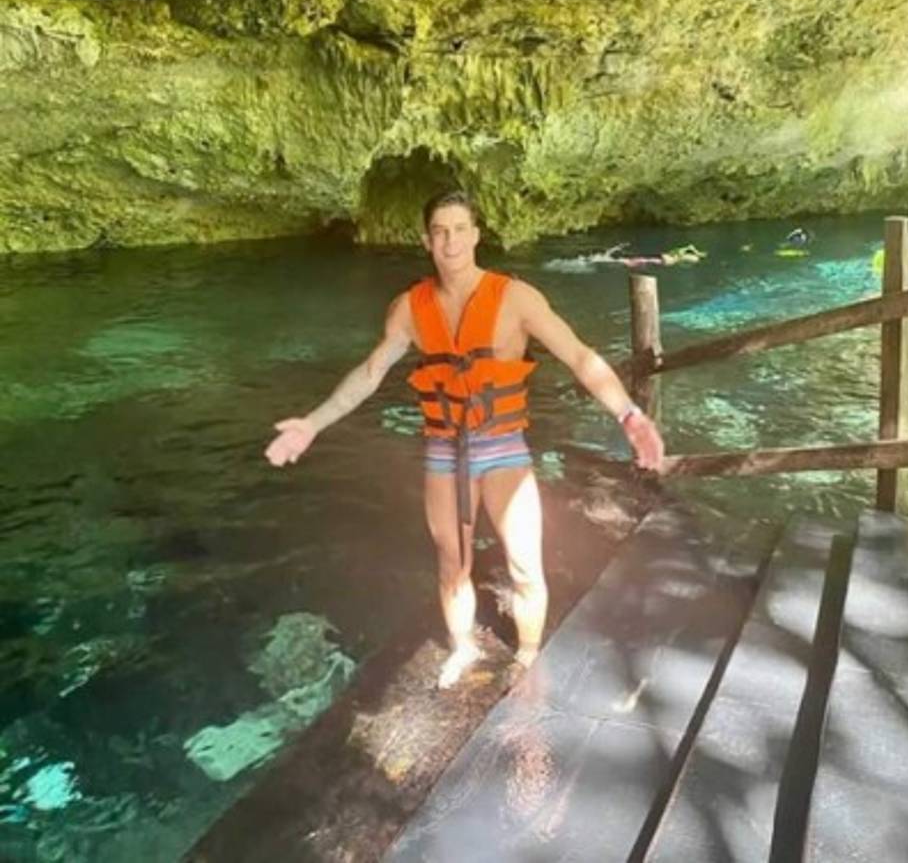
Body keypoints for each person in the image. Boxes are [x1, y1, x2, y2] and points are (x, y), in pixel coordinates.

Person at [265, 191, 665, 689]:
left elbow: (581, 358)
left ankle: (527, 653)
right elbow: (369, 374)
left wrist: (629, 415)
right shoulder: (409, 308)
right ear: (426, 240)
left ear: (476, 235)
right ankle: (463, 648)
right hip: (443, 450)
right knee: (452, 564)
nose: (450, 241)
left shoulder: (516, 298)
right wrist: (312, 422)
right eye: (439, 231)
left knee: (523, 563)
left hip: (503, 447)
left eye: (459, 229)